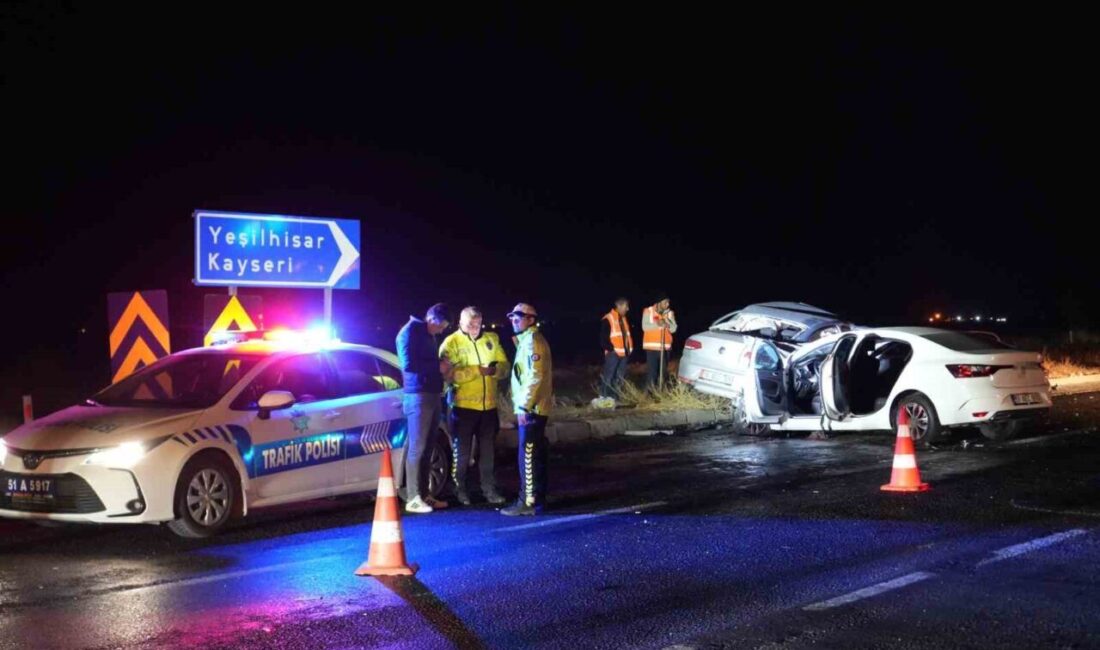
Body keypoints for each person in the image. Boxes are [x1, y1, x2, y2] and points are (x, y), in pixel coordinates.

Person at [439, 306, 509, 506]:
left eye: (478, 324)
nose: (475, 328)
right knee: (462, 452)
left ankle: (488, 489)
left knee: (488, 453)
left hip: (489, 407)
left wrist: (495, 371)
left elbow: (505, 366)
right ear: (460, 323)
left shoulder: (491, 339)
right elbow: (446, 375)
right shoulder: (451, 343)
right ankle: (459, 489)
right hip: (463, 407)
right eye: (470, 324)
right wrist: (476, 371)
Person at [395, 303, 452, 514]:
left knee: (428, 446)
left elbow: (426, 361)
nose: (442, 330)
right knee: (417, 448)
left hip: (433, 394)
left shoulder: (429, 335)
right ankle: (413, 497)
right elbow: (408, 365)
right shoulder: (408, 333)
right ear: (431, 319)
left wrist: (442, 366)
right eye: (441, 326)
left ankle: (425, 494)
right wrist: (437, 367)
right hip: (417, 396)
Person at [501, 303, 553, 516]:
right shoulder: (526, 341)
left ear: (531, 320)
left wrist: (523, 406)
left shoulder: (532, 342)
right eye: (512, 316)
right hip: (534, 407)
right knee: (534, 454)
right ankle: (536, 498)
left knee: (528, 456)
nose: (514, 320)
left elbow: (535, 377)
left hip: (532, 409)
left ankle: (528, 502)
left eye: (519, 316)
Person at [598, 297, 633, 404]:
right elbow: (603, 338)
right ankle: (603, 398)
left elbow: (626, 336)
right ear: (619, 306)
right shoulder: (608, 318)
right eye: (626, 306)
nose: (627, 309)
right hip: (613, 354)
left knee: (619, 378)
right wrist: (611, 349)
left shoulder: (623, 319)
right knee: (609, 376)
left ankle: (615, 398)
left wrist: (629, 350)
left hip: (624, 354)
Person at [642, 294, 677, 390]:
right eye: (665, 302)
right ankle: (648, 395)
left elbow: (674, 329)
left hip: (665, 348)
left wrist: (667, 322)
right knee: (652, 373)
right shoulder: (648, 311)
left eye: (668, 302)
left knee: (663, 373)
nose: (668, 304)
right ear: (659, 302)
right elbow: (645, 327)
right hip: (651, 348)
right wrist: (657, 324)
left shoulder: (670, 313)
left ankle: (660, 393)